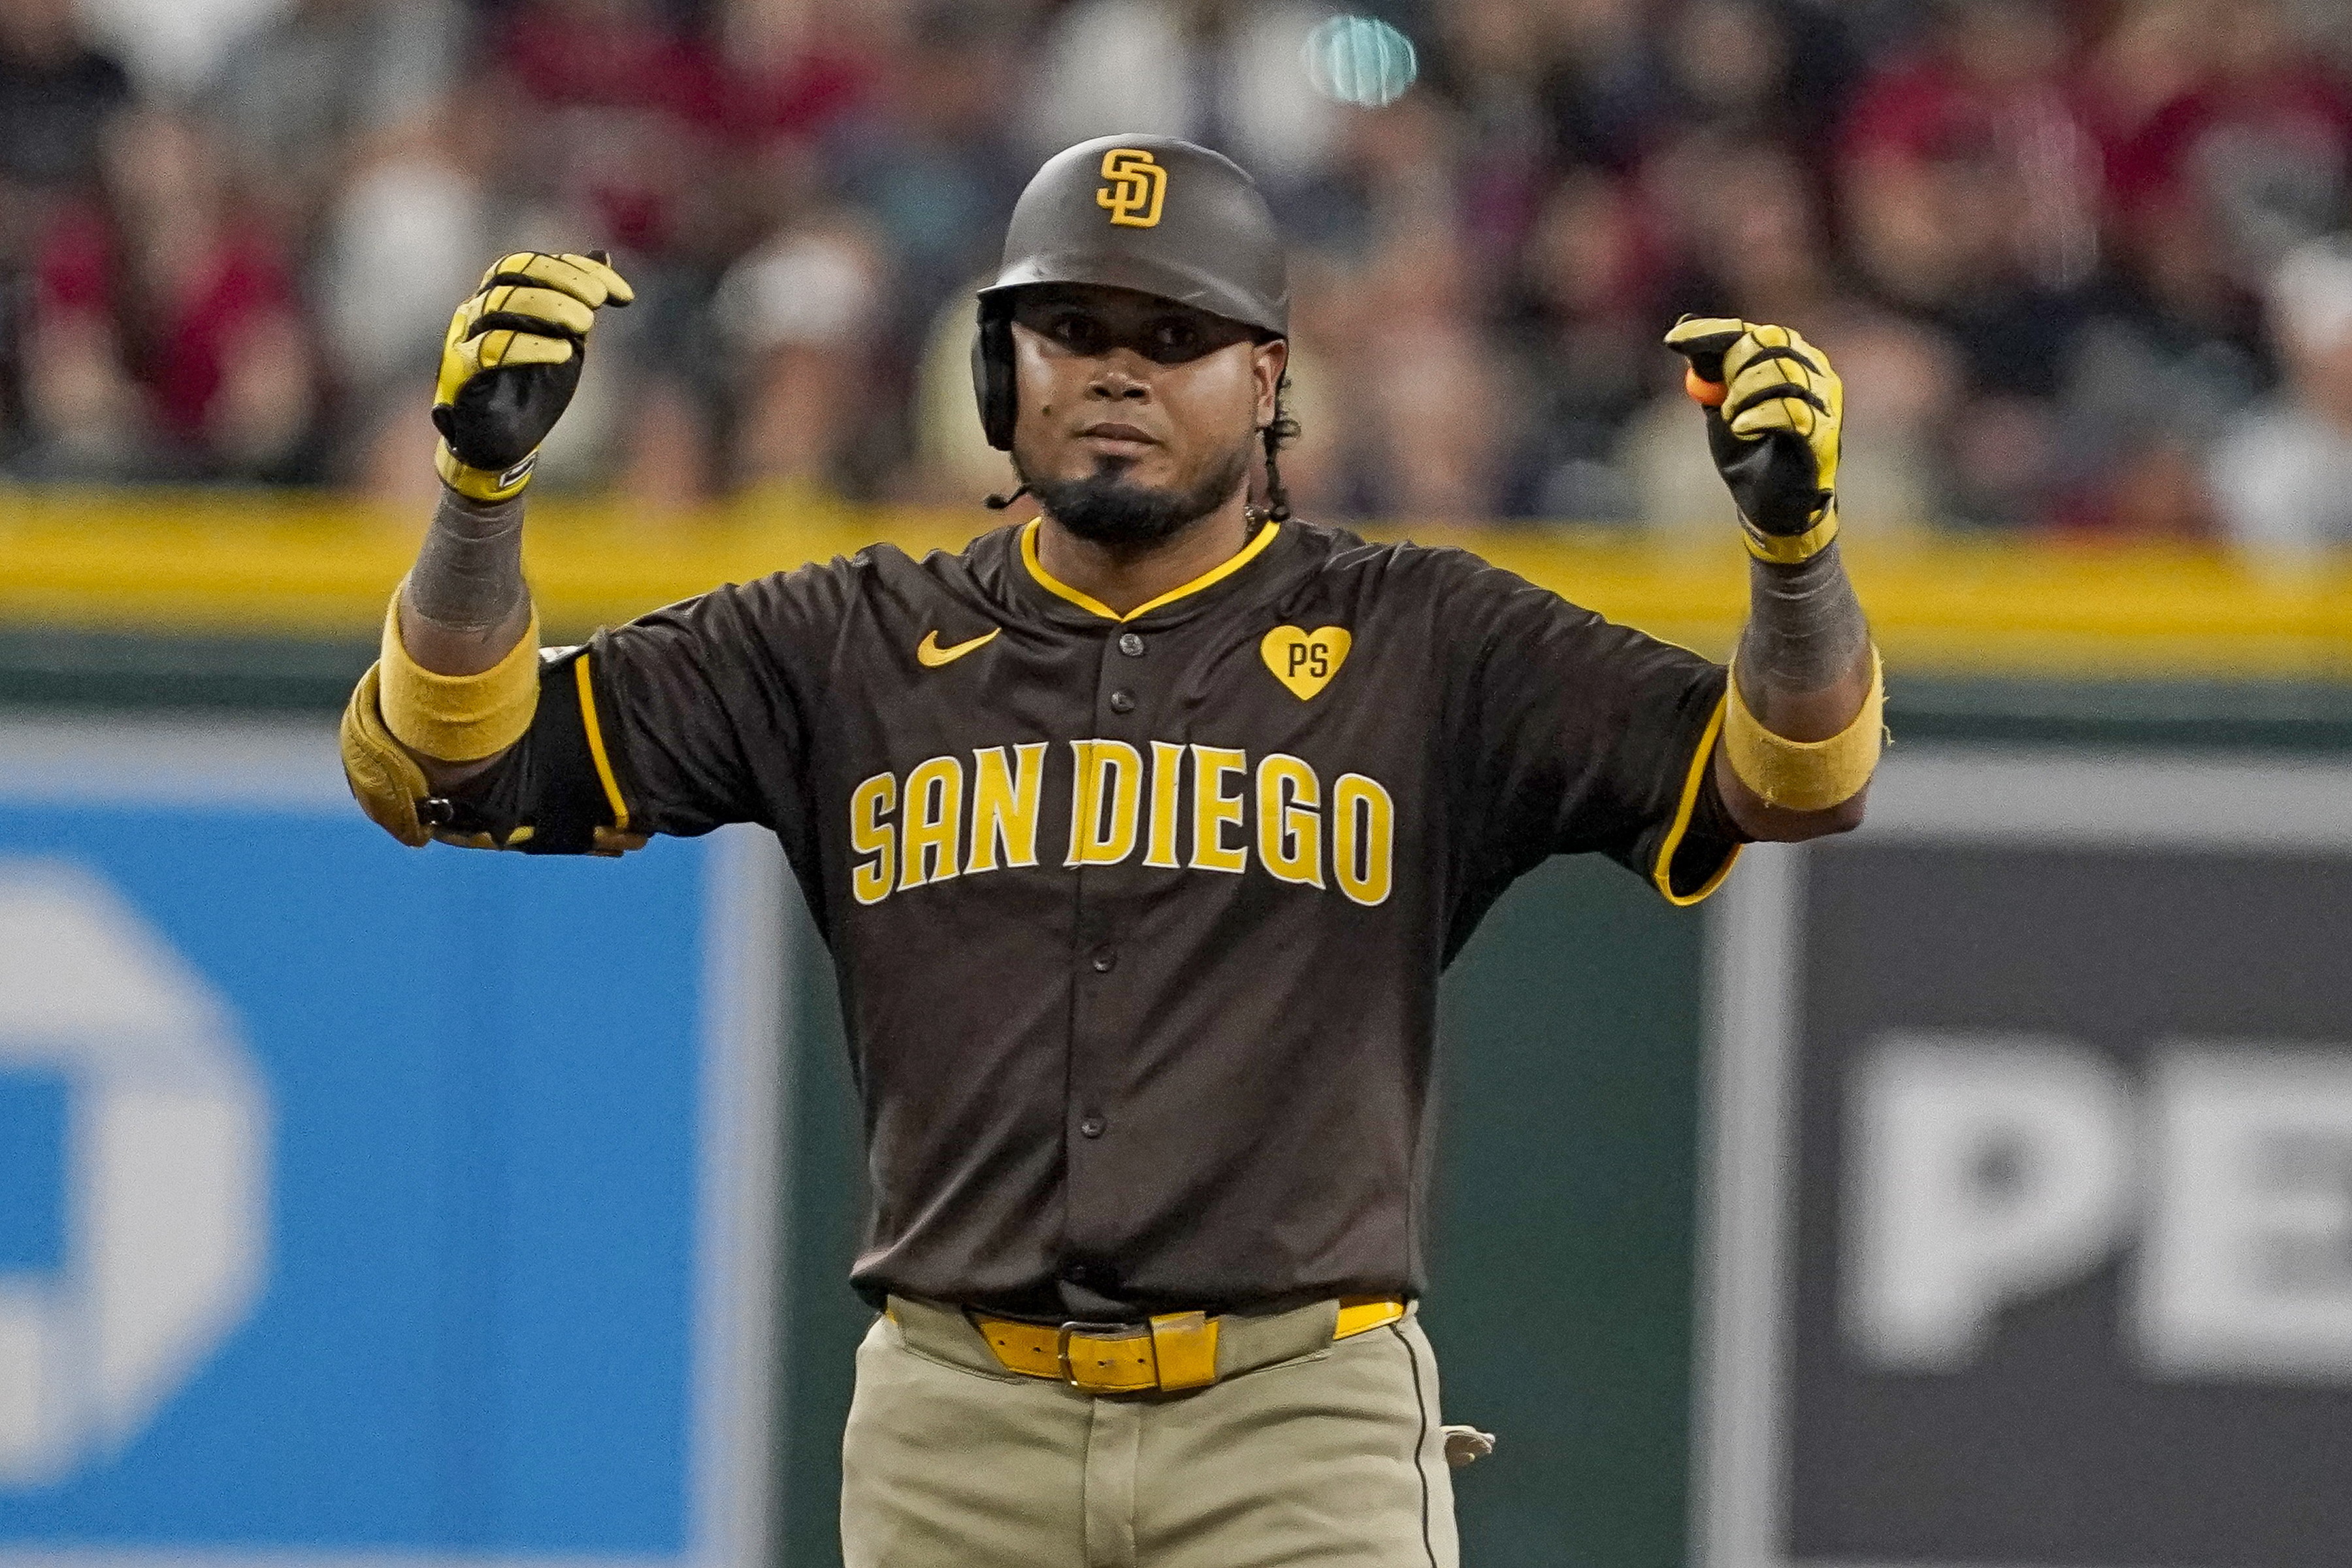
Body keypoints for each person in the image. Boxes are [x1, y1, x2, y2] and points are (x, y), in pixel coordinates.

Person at [338, 135, 1882, 1567]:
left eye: (1173, 338)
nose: (1117, 376)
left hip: (1297, 1420)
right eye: (1072, 331)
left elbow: (1787, 774)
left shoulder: (1425, 639)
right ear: (1000, 367)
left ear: (1268, 376)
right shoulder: (847, 643)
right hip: (956, 1424)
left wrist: (1796, 561)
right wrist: (479, 501)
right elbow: (451, 766)